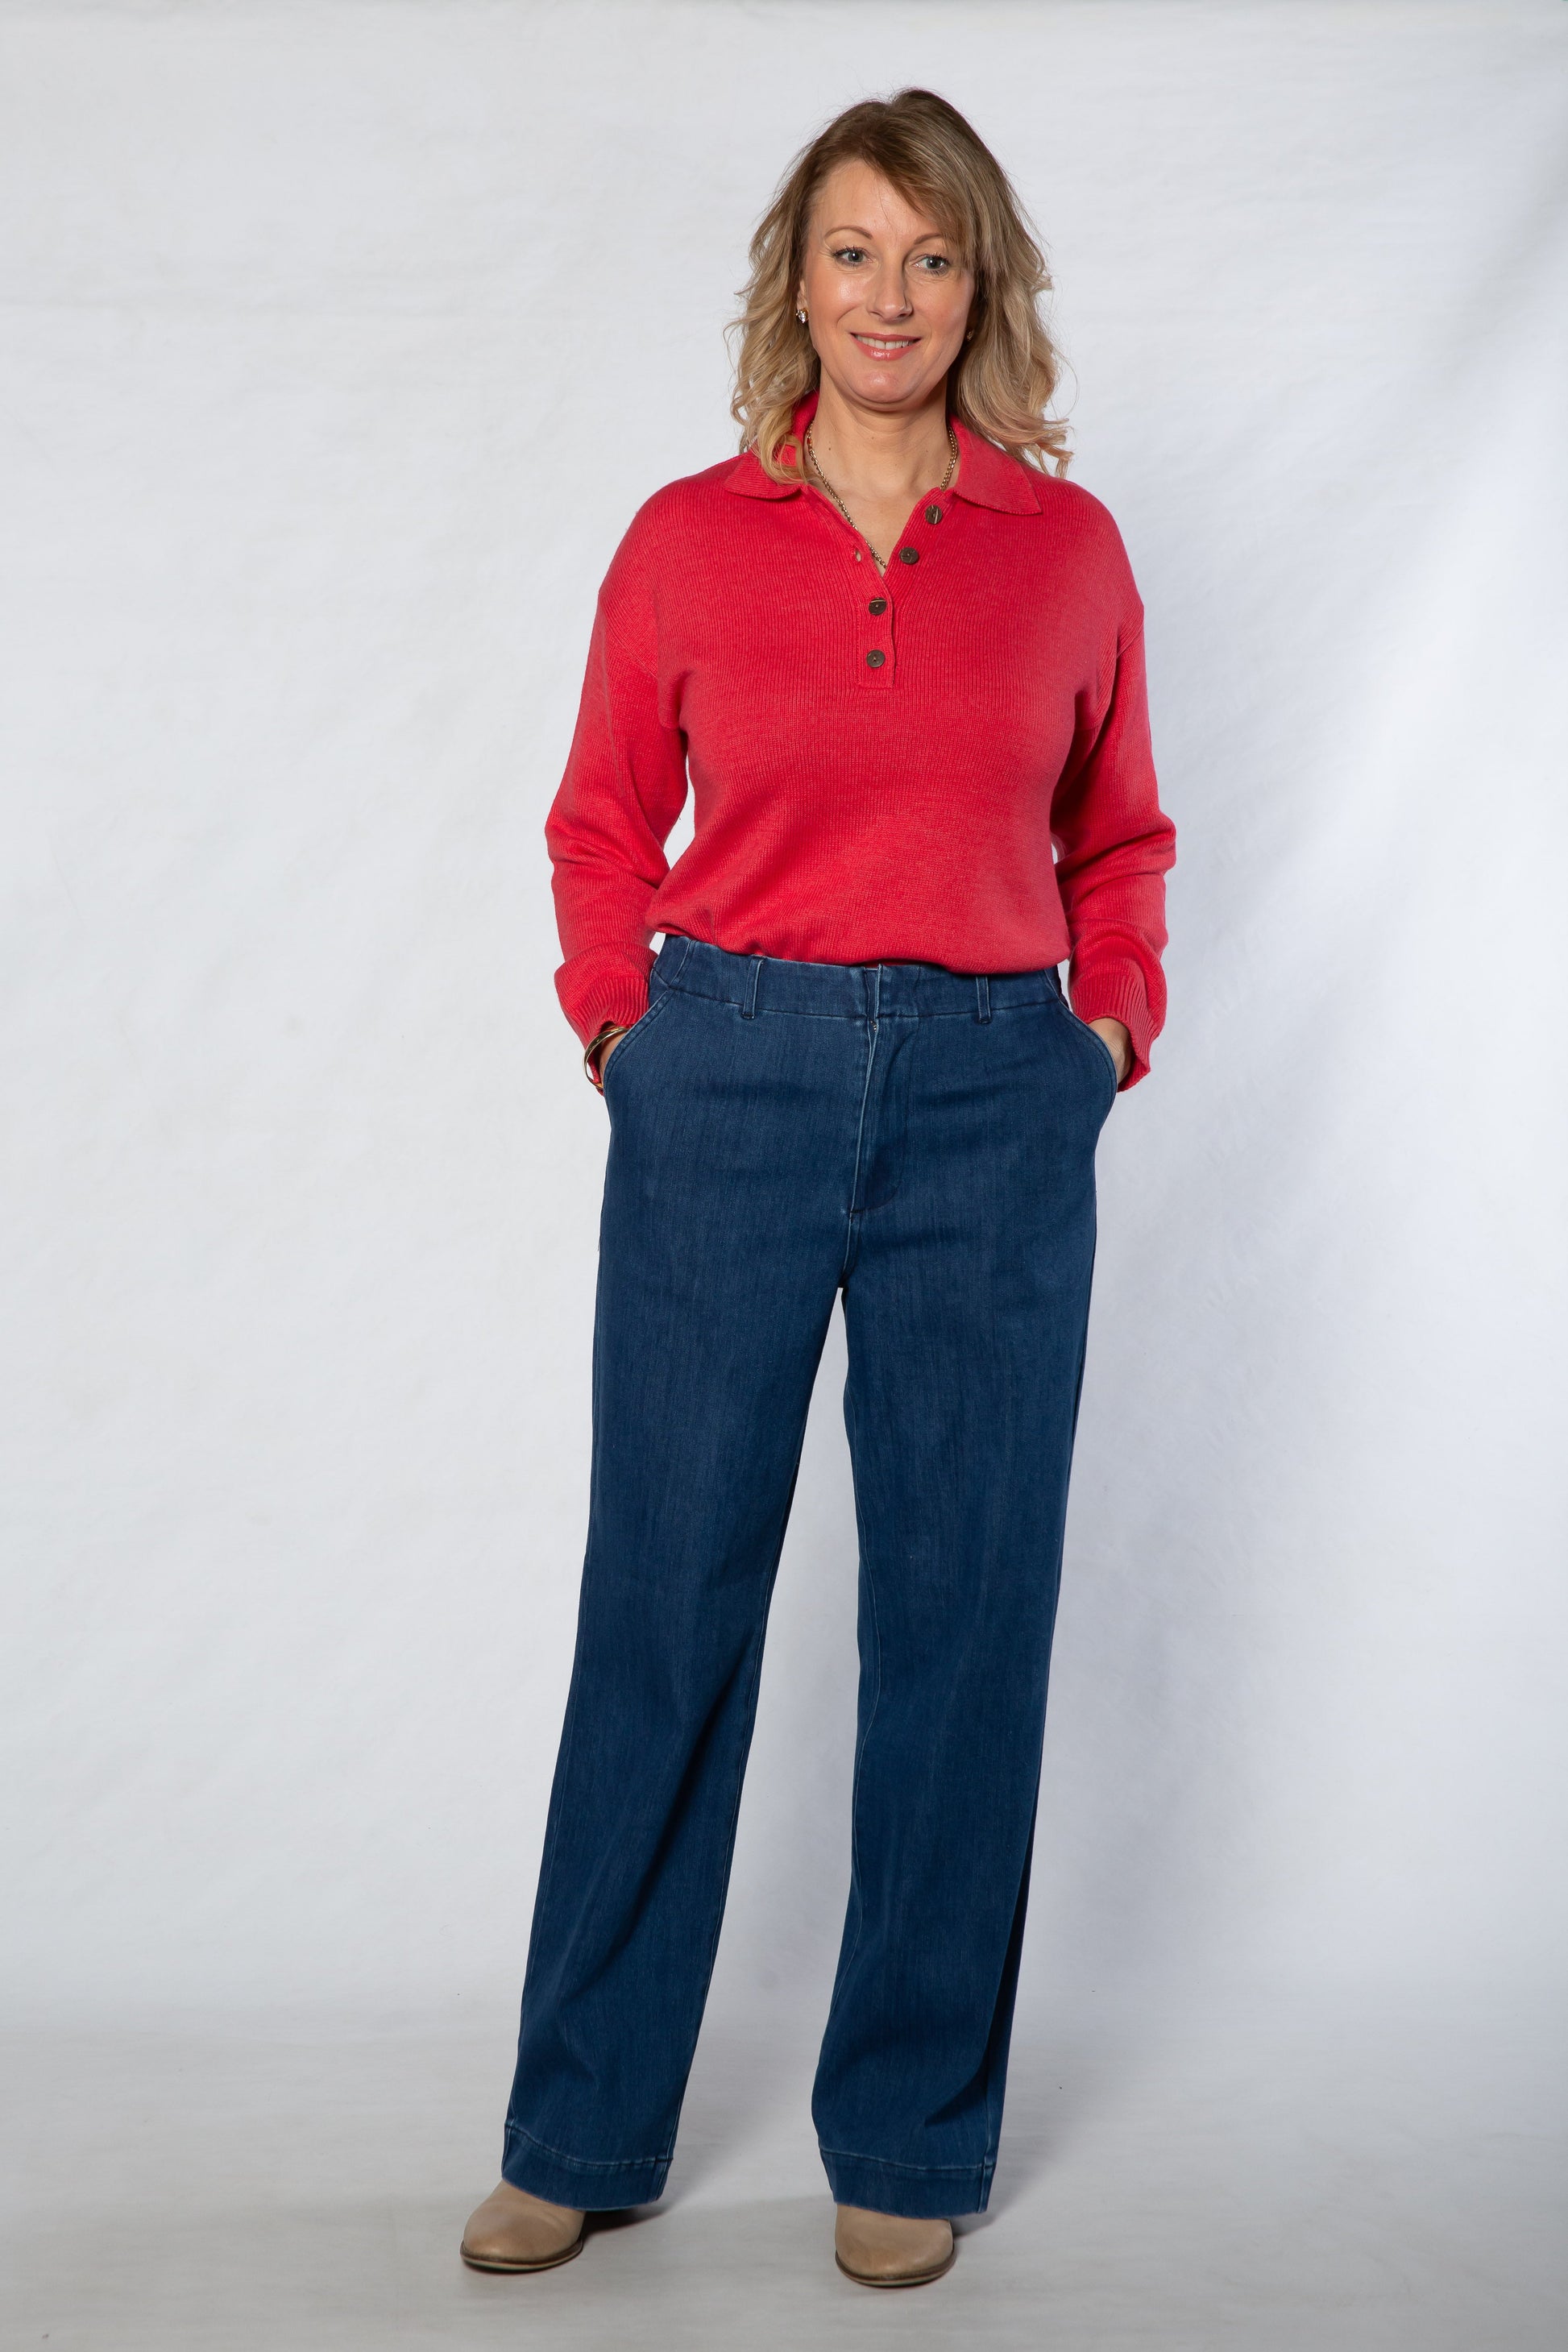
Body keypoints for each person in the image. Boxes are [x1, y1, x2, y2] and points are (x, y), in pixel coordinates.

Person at [462, 86, 1175, 2291]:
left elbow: (1118, 835)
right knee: (665, 1602)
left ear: (983, 290)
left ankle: (910, 2134)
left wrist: (1101, 1032)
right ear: (795, 277)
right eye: (852, 251)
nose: (888, 296)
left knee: (963, 1622)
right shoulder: (685, 538)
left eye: (931, 258)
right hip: (730, 1080)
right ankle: (581, 2124)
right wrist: (621, 1026)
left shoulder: (1064, 550)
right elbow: (599, 819)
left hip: (989, 1093)